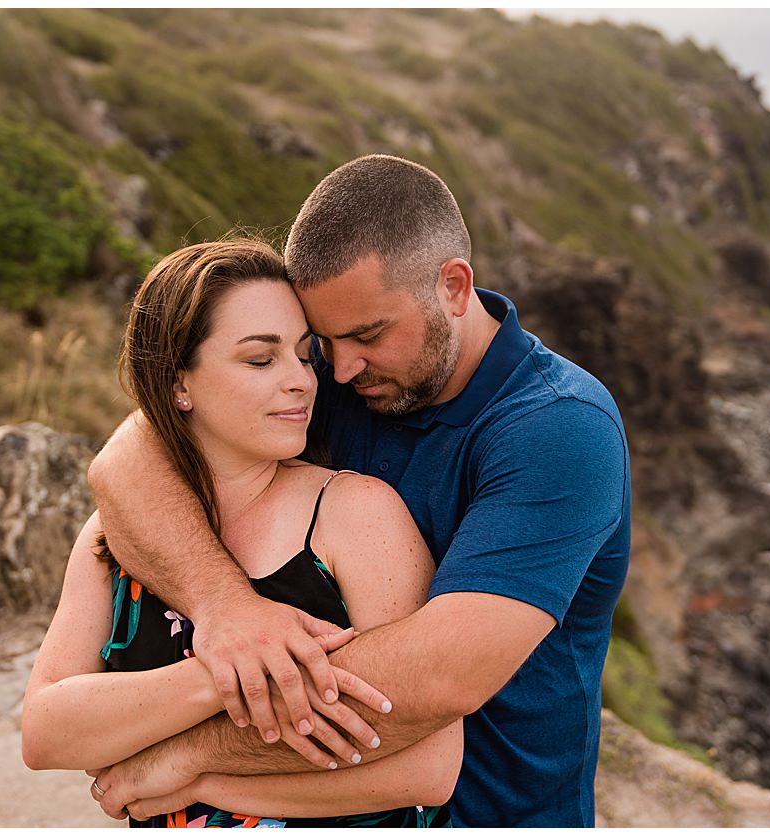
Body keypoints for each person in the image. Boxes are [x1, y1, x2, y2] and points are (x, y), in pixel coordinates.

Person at [82, 155, 631, 826]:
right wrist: (224, 608)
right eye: (323, 340)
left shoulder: (558, 427)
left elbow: (443, 675)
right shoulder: (335, 373)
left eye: (368, 335)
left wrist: (193, 758)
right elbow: (127, 457)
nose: (338, 369)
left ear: (454, 287)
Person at [21, 239, 461, 826]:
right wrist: (225, 669)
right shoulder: (118, 535)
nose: (302, 382)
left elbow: (427, 771)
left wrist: (200, 776)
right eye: (261, 359)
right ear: (180, 384)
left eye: (306, 357)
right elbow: (45, 735)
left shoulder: (355, 515)